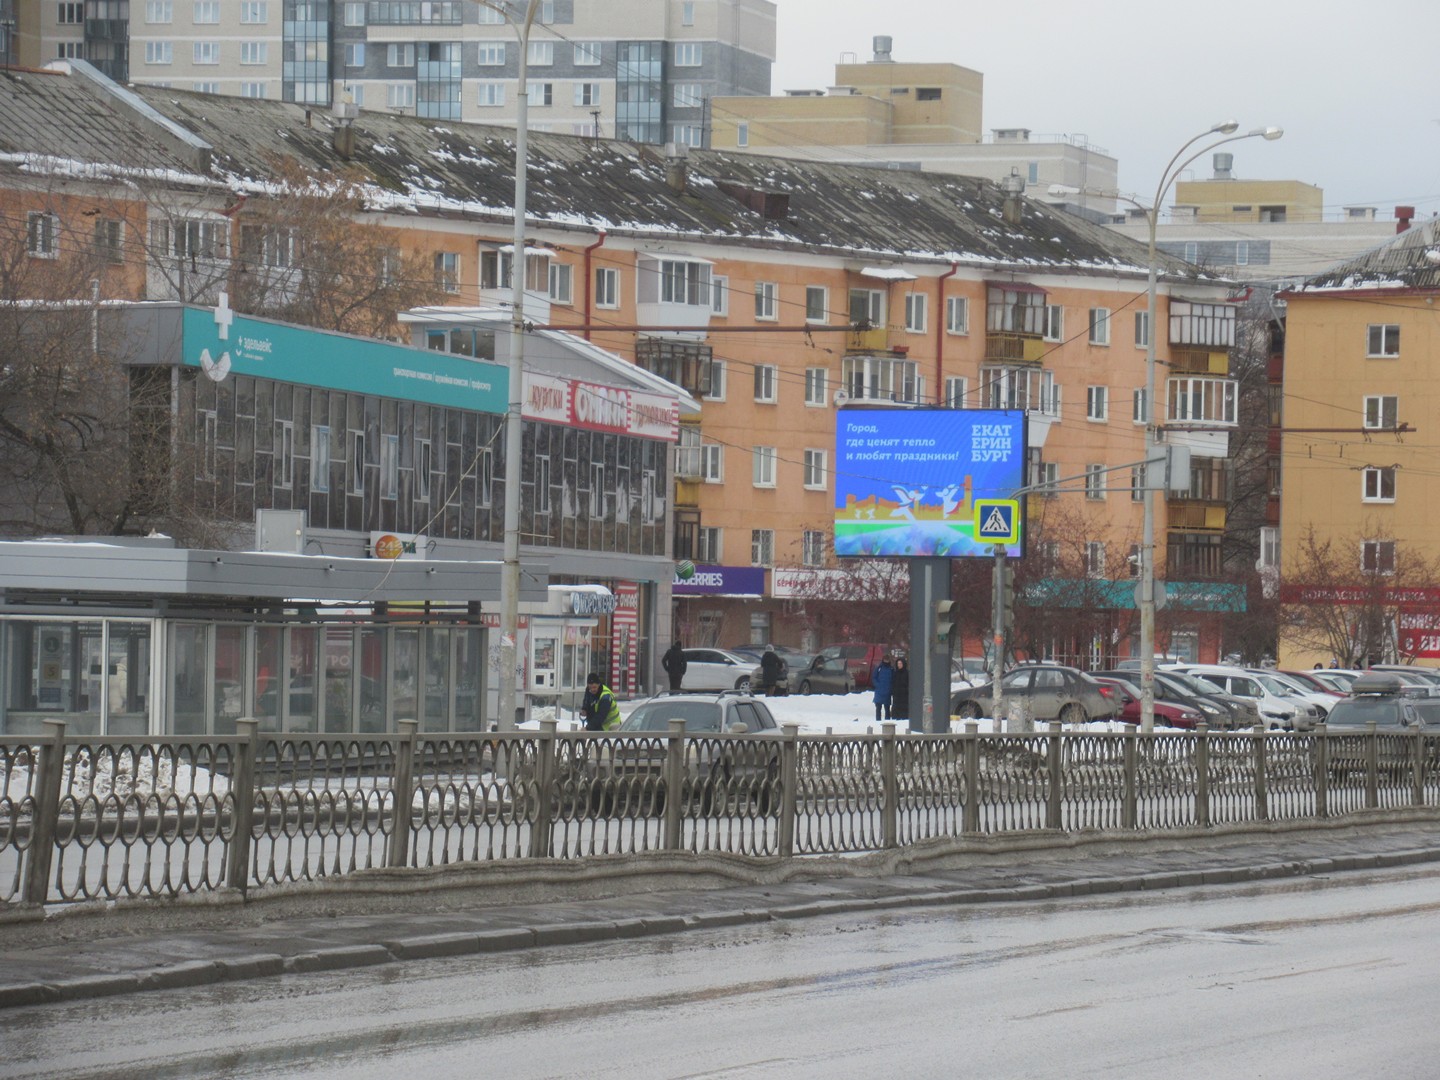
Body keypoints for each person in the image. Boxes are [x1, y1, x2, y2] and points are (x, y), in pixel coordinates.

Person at [871, 655, 894, 723]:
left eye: (887, 660)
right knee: (878, 708)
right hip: (879, 691)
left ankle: (887, 722)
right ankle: (878, 722)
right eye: (885, 660)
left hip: (887, 691)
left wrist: (891, 688)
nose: (886, 661)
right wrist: (877, 685)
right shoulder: (879, 668)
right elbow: (874, 677)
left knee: (887, 708)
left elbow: (893, 679)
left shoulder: (891, 669)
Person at [889, 656, 910, 724]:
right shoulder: (895, 673)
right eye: (898, 664)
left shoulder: (907, 673)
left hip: (904, 695)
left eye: (900, 663)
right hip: (896, 695)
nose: (899, 665)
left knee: (904, 710)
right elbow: (893, 683)